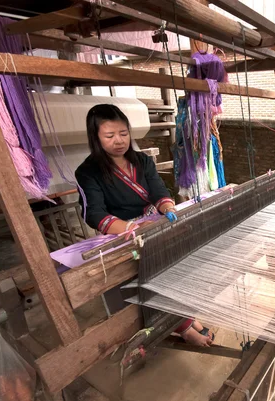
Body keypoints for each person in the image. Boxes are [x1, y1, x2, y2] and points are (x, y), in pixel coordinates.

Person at [75, 104, 213, 347]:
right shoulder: (87, 172)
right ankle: (183, 327)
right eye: (110, 135)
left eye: (123, 134)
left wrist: (168, 207)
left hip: (149, 225)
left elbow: (158, 189)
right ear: (96, 138)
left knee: (177, 268)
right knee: (151, 277)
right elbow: (94, 212)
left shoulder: (142, 161)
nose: (119, 141)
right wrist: (129, 229)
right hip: (120, 234)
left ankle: (187, 318)